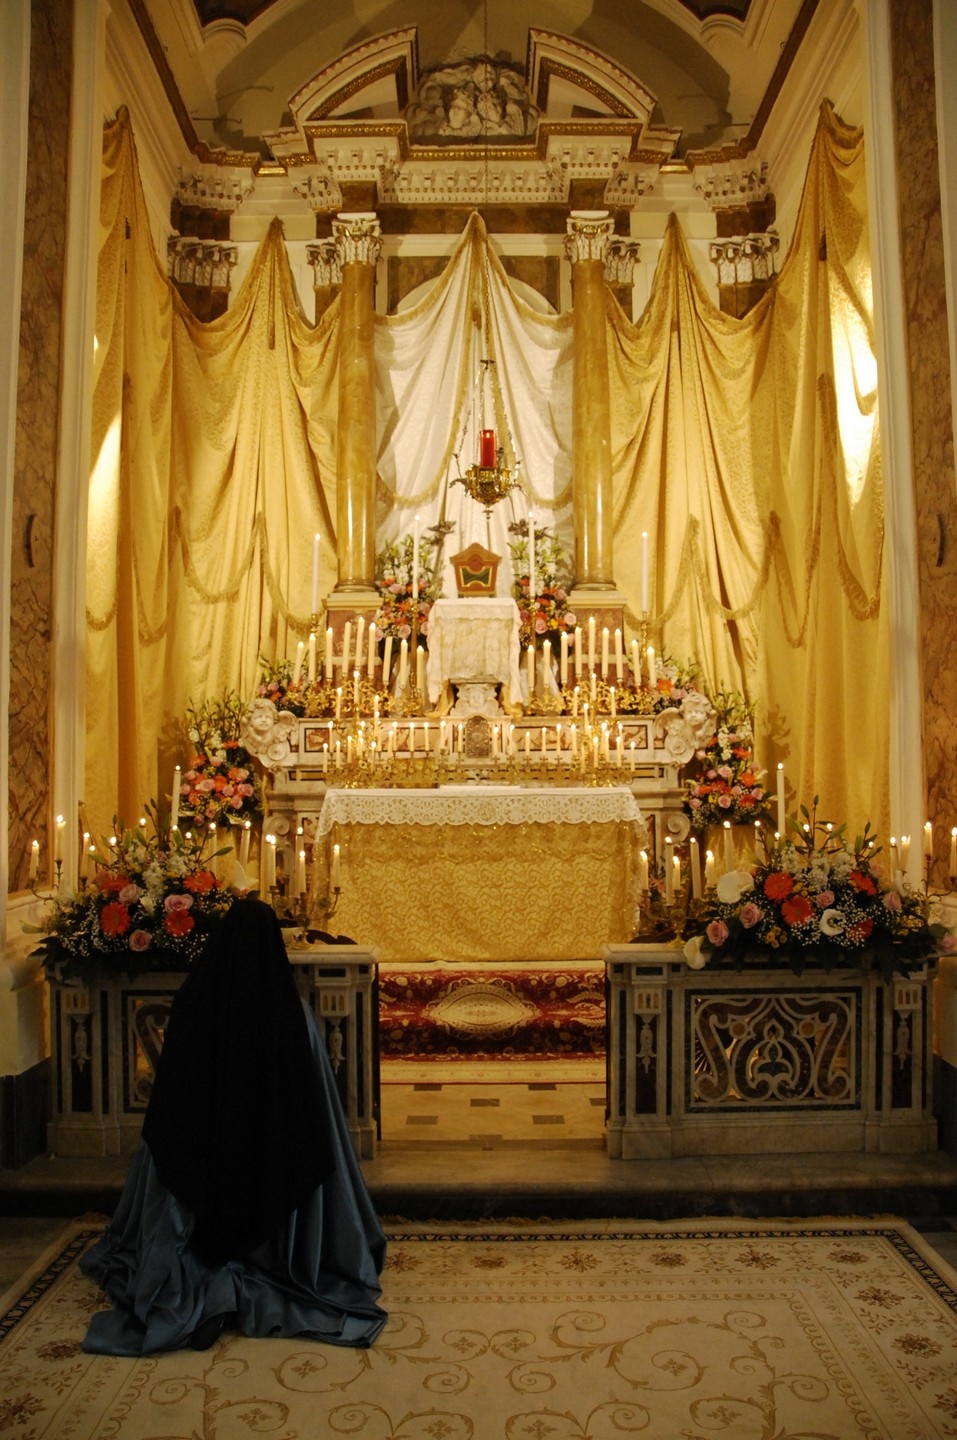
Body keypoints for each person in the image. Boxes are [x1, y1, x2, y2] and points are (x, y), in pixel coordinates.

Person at [80, 897, 387, 1354]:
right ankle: (271, 1265)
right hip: (273, 1162)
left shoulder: (192, 1004)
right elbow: (314, 1105)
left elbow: (171, 1101)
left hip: (200, 1162)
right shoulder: (294, 1015)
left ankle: (200, 1275)